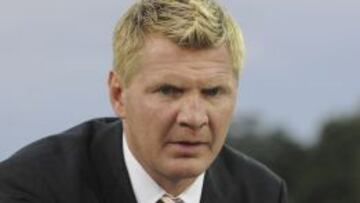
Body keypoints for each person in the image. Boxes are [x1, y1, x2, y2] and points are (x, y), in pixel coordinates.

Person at [0, 0, 288, 202]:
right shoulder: (34, 189)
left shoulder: (261, 193)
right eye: (169, 91)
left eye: (213, 92)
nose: (194, 117)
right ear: (118, 94)